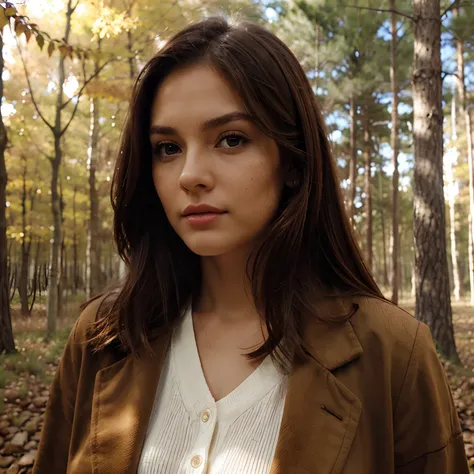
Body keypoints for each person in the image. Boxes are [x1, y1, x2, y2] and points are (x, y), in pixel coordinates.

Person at [32, 17, 469, 474]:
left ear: (294, 162)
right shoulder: (101, 338)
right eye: (167, 148)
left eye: (231, 139)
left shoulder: (395, 355)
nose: (189, 174)